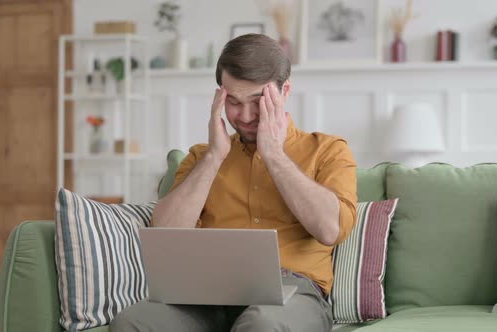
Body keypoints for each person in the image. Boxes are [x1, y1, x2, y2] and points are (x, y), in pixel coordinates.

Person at [111, 33, 357, 332]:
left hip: (291, 294)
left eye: (257, 101)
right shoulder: (201, 157)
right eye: (234, 102)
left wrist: (274, 155)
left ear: (285, 91)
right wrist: (215, 156)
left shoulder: (328, 150)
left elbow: (330, 229)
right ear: (220, 97)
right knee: (133, 322)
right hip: (206, 295)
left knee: (262, 324)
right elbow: (166, 233)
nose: (246, 116)